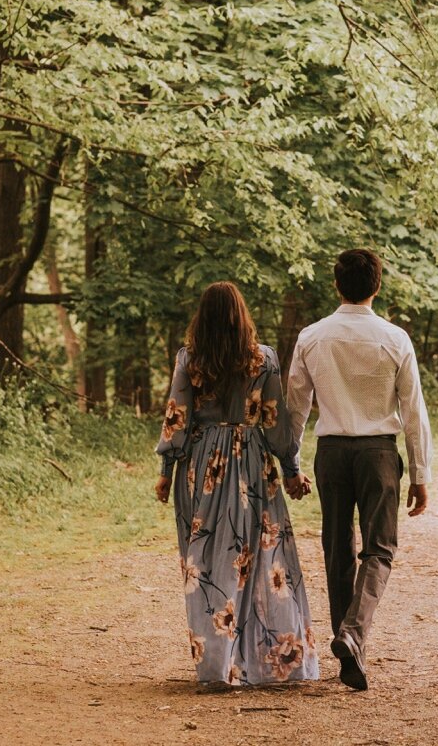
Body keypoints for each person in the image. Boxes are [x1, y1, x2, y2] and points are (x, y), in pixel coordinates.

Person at [154, 282, 319, 686]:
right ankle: (268, 659)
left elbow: (178, 418)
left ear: (203, 317)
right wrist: (292, 469)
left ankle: (218, 665)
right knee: (260, 558)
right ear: (242, 316)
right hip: (251, 464)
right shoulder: (263, 361)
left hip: (203, 467)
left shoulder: (190, 359)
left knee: (208, 561)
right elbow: (275, 423)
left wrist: (166, 470)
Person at [284, 248, 433, 691]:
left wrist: (290, 463)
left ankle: (348, 641)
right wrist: (421, 475)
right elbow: (413, 409)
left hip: (331, 452)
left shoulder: (312, 337)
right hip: (378, 453)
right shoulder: (394, 338)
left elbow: (296, 406)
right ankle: (353, 634)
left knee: (337, 547)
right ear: (378, 285)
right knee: (380, 548)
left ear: (336, 285)